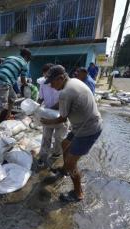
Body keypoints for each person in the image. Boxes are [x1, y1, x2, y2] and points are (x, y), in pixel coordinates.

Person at [41, 65, 102, 202]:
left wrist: (46, 121)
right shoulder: (74, 81)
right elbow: (66, 106)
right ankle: (64, 170)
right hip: (85, 124)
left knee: (71, 163)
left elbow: (62, 118)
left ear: (61, 78)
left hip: (88, 130)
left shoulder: (65, 93)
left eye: (52, 82)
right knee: (65, 143)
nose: (50, 86)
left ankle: (78, 193)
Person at [0, 48, 32, 139]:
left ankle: (8, 115)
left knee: (13, 97)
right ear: (26, 57)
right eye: (28, 59)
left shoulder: (9, 57)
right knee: (1, 104)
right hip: (4, 82)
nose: (28, 61)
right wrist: (27, 85)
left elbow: (0, 68)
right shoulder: (24, 64)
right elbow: (22, 80)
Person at [38, 63, 67, 166]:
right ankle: (43, 156)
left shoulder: (63, 84)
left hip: (61, 113)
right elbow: (40, 97)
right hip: (47, 113)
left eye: (48, 77)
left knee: (59, 137)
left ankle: (56, 154)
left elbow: (63, 101)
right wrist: (36, 107)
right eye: (45, 76)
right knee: (46, 136)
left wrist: (51, 109)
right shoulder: (42, 83)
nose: (47, 80)